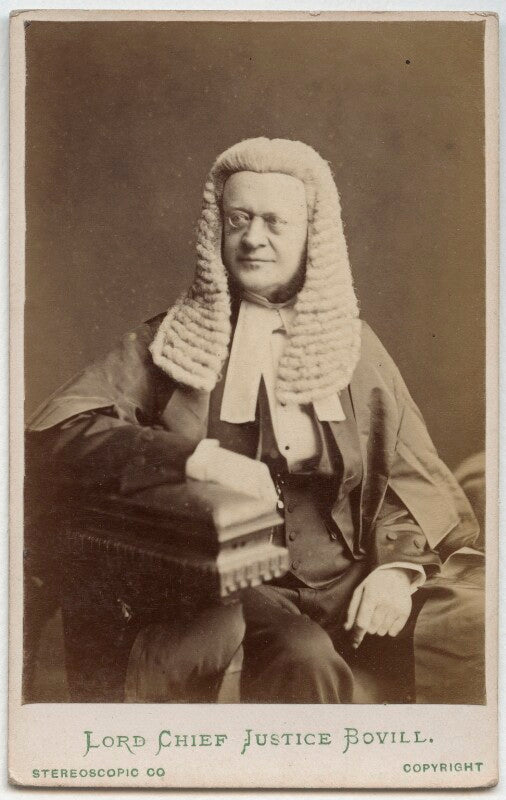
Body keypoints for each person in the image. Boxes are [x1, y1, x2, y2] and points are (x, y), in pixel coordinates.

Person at [26, 137, 484, 704]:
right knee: (305, 659)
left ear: (313, 235)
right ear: (216, 230)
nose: (252, 238)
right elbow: (58, 431)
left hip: (350, 576)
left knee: (472, 631)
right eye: (238, 219)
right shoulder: (169, 342)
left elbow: (406, 480)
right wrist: (199, 459)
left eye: (275, 222)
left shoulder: (355, 346)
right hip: (234, 586)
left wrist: (397, 572)